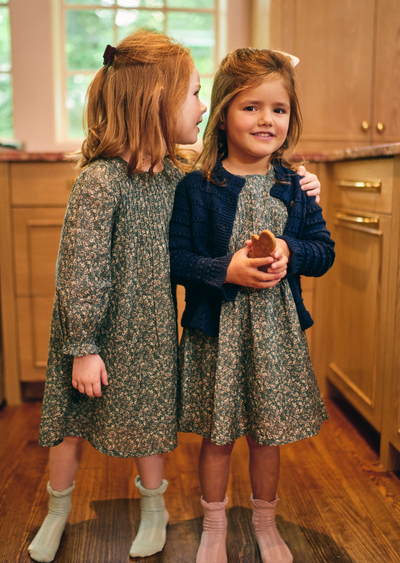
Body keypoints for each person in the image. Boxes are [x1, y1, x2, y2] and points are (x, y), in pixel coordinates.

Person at [28, 30, 320, 563]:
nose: (203, 106)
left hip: (155, 324)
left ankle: (154, 507)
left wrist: (305, 185)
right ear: (154, 102)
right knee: (70, 421)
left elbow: (252, 182)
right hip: (93, 329)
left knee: (151, 421)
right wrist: (83, 345)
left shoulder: (183, 175)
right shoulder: (105, 181)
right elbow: (81, 268)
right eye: (192, 94)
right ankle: (57, 509)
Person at [169, 48, 335, 563]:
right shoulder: (196, 187)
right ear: (222, 115)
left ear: (291, 117)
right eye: (251, 107)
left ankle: (267, 523)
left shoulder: (295, 185)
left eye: (279, 109)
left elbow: (323, 252)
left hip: (275, 334)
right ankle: (214, 525)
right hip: (216, 332)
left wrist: (290, 248)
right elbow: (177, 259)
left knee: (268, 437)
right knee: (218, 438)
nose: (267, 119)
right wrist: (226, 270)